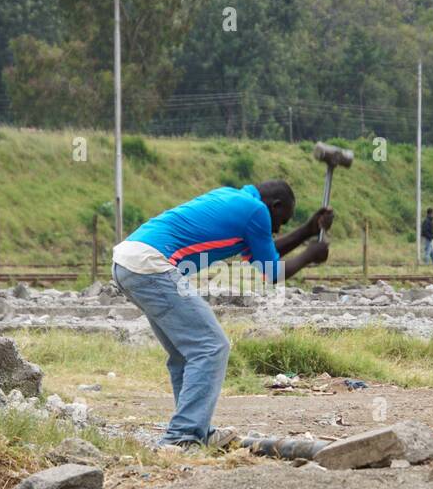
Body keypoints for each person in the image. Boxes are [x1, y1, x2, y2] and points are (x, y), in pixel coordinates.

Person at [112, 181, 333, 448]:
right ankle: (183, 436)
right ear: (274, 206)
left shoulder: (235, 200)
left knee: (186, 353)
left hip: (129, 262)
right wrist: (311, 253)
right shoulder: (256, 211)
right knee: (211, 346)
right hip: (151, 265)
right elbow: (273, 272)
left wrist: (308, 231)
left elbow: (266, 257)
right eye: (281, 221)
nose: (277, 229)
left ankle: (195, 429)